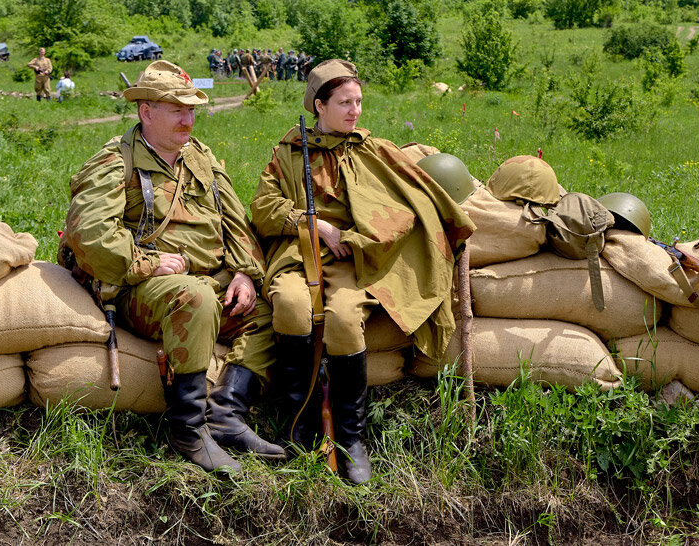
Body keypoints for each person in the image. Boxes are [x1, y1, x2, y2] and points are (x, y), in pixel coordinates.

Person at [249, 59, 475, 484]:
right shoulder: (289, 152)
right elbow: (262, 209)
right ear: (319, 105)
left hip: (360, 260)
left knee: (343, 321)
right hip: (301, 256)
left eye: (358, 102)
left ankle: (350, 436)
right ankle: (301, 422)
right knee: (293, 308)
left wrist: (370, 235)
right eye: (344, 102)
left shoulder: (371, 149)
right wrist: (313, 223)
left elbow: (413, 199)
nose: (355, 111)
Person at [61, 60, 285, 474]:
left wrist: (244, 273)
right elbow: (88, 235)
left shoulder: (200, 157)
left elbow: (234, 219)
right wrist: (146, 262)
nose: (189, 119)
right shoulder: (116, 162)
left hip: (210, 278)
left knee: (273, 307)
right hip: (146, 290)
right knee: (195, 296)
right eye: (177, 109)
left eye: (192, 109)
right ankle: (188, 428)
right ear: (147, 112)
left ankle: (227, 414)